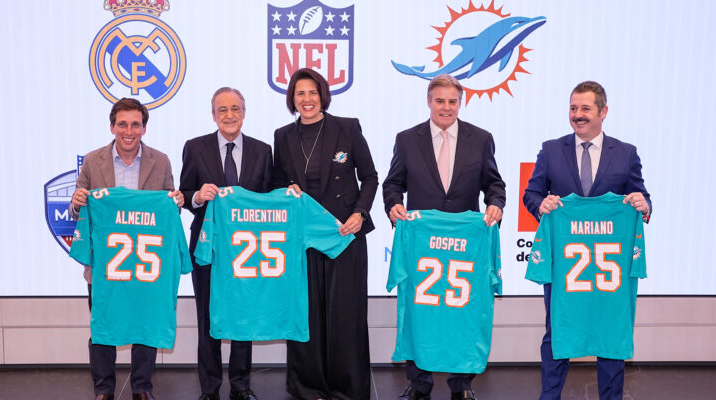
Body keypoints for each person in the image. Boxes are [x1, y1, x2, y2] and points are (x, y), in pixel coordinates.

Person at [522, 81, 651, 400]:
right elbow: (531, 194)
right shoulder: (551, 149)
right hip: (565, 265)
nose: (577, 115)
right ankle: (549, 397)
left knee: (611, 333)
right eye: (573, 108)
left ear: (603, 112)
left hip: (609, 268)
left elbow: (641, 196)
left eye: (585, 109)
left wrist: (644, 206)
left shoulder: (626, 152)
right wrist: (542, 205)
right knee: (558, 333)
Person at [382, 74, 506, 400]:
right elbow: (393, 183)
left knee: (462, 311)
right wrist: (394, 205)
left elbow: (494, 184)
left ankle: (461, 384)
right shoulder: (407, 139)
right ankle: (419, 383)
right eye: (440, 101)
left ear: (460, 103)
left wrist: (495, 205)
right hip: (422, 246)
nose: (446, 107)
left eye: (452, 101)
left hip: (465, 246)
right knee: (419, 309)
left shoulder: (480, 139)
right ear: (429, 101)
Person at [272, 68, 378, 400]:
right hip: (302, 239)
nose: (307, 99)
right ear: (292, 98)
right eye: (300, 93)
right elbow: (276, 182)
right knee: (306, 314)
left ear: (323, 95)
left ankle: (347, 388)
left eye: (312, 92)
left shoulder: (347, 127)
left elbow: (370, 177)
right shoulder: (282, 136)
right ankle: (308, 387)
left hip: (344, 234)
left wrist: (360, 213)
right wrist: (284, 189)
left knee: (345, 315)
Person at [70, 97, 184, 400]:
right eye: (122, 124)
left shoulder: (161, 161)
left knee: (145, 325)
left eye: (135, 124)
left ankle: (142, 387)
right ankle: (103, 389)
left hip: (147, 265)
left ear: (144, 129)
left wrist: (177, 202)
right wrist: (77, 202)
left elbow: (168, 207)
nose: (129, 131)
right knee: (103, 325)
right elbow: (77, 209)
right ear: (112, 127)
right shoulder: (94, 161)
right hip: (105, 266)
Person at [180, 87, 272, 400]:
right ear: (213, 115)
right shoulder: (195, 147)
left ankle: (241, 385)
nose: (229, 115)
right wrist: (196, 196)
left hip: (248, 250)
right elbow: (185, 193)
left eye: (235, 109)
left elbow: (270, 199)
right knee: (208, 316)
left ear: (244, 113)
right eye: (222, 110)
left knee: (242, 315)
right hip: (207, 246)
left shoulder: (263, 151)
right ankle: (209, 388)